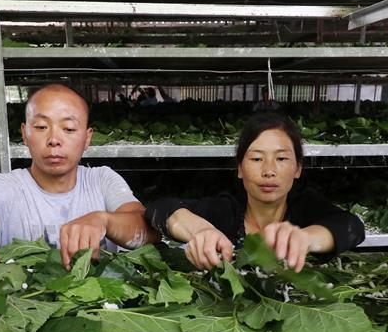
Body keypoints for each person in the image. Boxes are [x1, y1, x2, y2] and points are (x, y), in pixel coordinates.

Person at [0, 83, 155, 297]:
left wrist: (104, 221)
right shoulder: (3, 187)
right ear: (25, 134)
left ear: (87, 138)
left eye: (68, 128)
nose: (54, 139)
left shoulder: (102, 180)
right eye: (41, 127)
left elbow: (146, 228)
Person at [145, 112, 364, 272]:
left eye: (281, 159)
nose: (269, 171)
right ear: (240, 168)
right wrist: (201, 231)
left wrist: (306, 238)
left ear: (297, 168)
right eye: (257, 159)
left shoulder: (305, 208)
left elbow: (352, 227)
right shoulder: (225, 211)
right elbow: (160, 209)